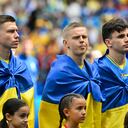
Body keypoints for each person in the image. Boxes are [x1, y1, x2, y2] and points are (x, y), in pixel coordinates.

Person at [39, 22, 104, 128]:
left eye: (84, 37)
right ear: (66, 43)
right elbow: (48, 113)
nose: (82, 40)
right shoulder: (59, 73)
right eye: (76, 37)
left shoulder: (93, 71)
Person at [93, 17, 128, 128]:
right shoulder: (97, 69)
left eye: (127, 35)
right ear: (108, 42)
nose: (126, 39)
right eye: (121, 36)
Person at [0, 15, 34, 128]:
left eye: (16, 31)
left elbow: (30, 106)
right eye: (10, 31)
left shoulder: (21, 68)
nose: (17, 35)